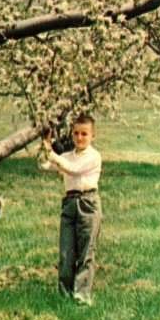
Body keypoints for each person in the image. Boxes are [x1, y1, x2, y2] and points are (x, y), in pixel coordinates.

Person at [39, 114, 103, 306]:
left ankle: (82, 295)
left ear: (93, 136)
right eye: (75, 133)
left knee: (86, 251)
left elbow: (73, 169)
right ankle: (64, 293)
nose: (79, 138)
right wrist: (44, 147)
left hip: (88, 203)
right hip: (69, 203)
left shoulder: (93, 156)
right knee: (66, 253)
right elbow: (44, 166)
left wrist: (53, 155)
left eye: (84, 134)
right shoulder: (66, 156)